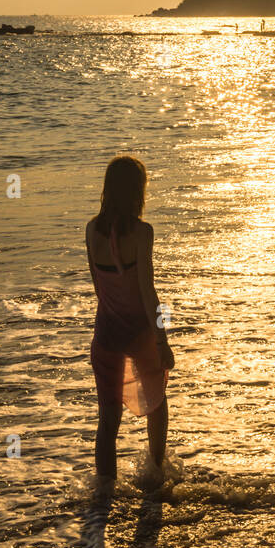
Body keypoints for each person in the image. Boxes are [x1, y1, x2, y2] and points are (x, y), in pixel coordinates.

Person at [85, 156, 174, 484]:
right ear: (138, 191)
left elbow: (99, 287)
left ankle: (103, 495)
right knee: (157, 406)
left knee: (107, 421)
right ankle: (155, 474)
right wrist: (163, 340)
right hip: (139, 334)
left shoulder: (92, 229)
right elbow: (148, 293)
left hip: (106, 334)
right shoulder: (142, 232)